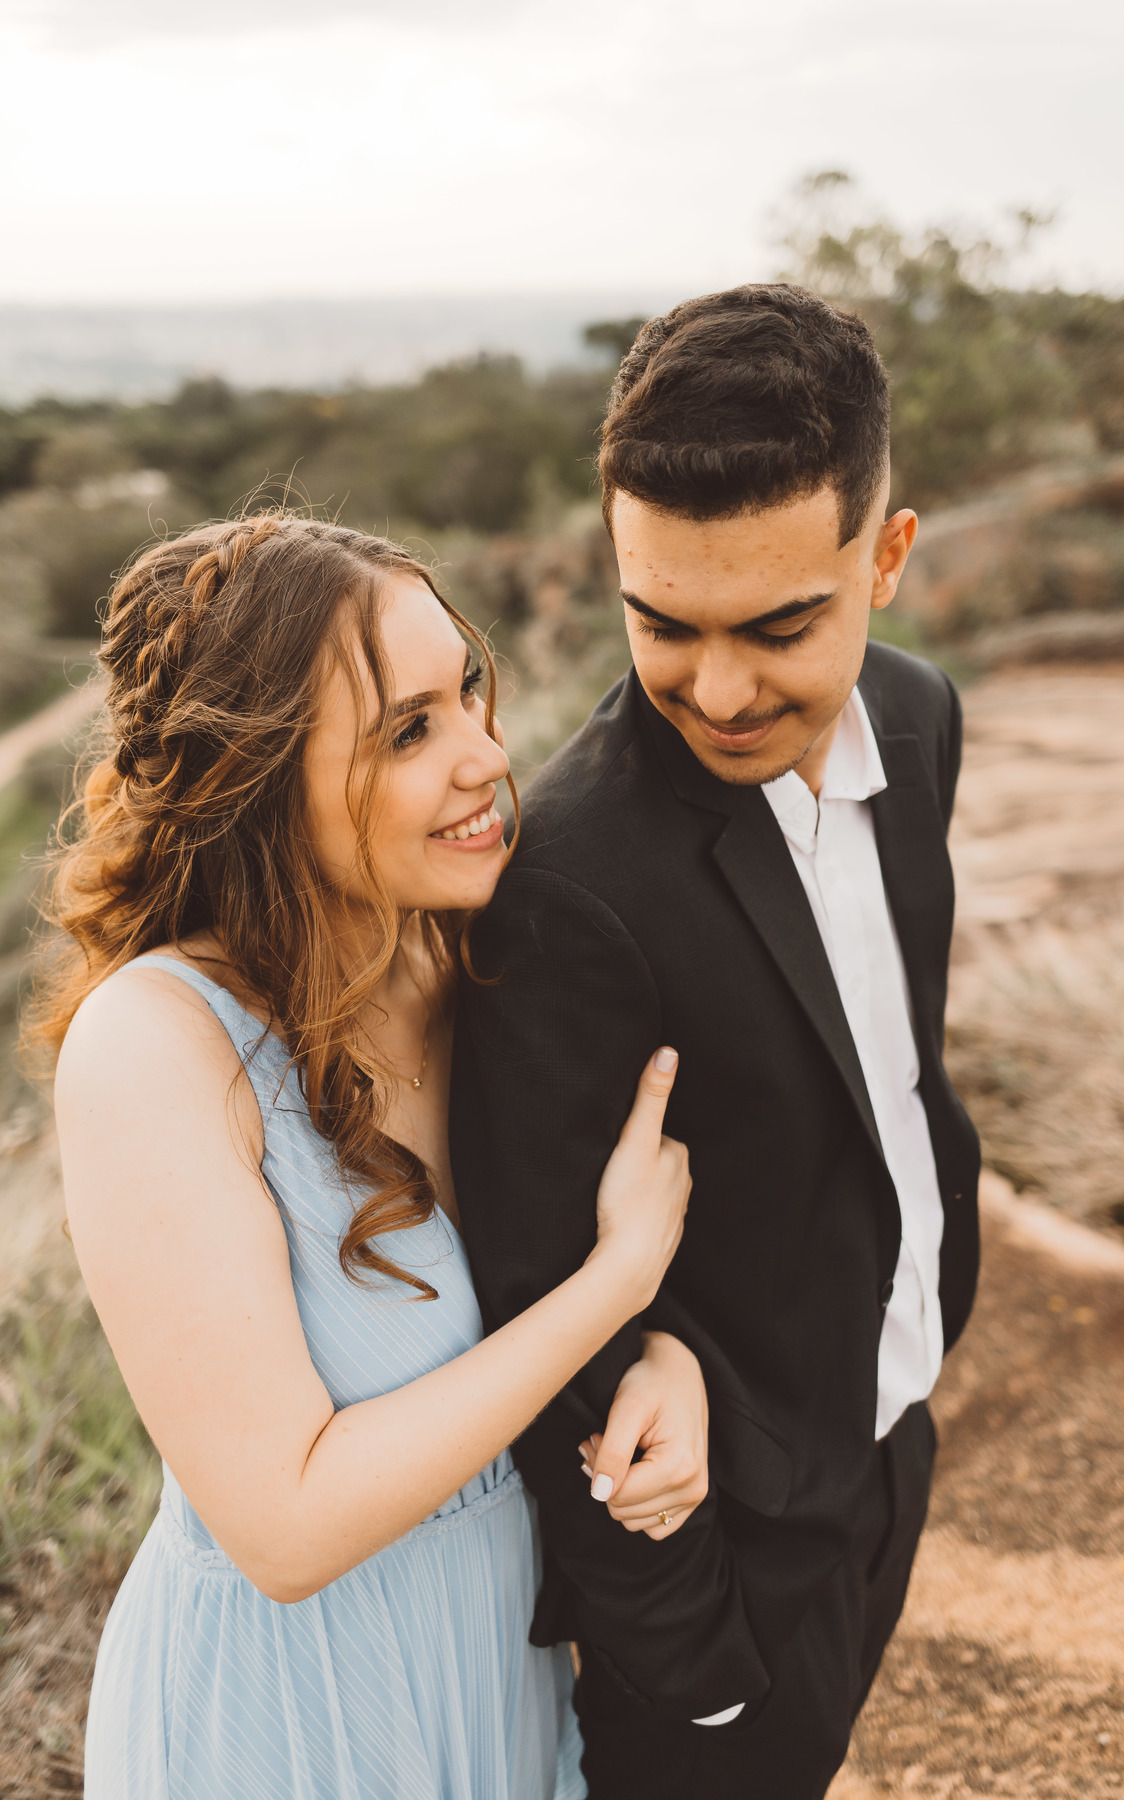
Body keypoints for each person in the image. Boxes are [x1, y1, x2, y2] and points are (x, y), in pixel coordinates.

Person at [38, 514, 712, 1800]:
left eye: (467, 693)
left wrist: (663, 1356)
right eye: (409, 733)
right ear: (259, 781)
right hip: (287, 1723)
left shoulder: (483, 964)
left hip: (499, 1679)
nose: (487, 757)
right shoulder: (159, 1047)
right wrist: (610, 1293)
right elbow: (285, 1525)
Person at [450, 283, 982, 1797]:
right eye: (661, 624)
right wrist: (692, 1688)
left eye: (782, 625)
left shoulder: (924, 719)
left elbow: (889, 1066)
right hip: (722, 1571)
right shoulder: (566, 885)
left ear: (886, 554)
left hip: (888, 1429)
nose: (721, 690)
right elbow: (540, 1311)